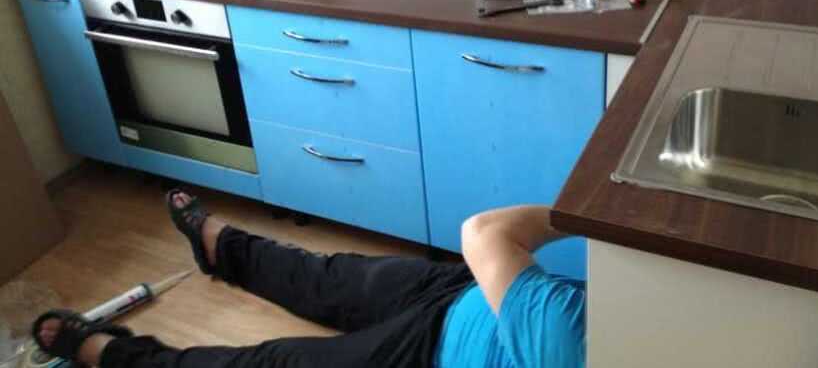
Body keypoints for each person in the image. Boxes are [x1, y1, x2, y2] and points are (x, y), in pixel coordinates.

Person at [32, 190, 585, 367]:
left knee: (273, 362)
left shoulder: (574, 339)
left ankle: (112, 356)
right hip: (473, 293)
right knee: (331, 278)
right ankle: (223, 249)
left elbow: (484, 231)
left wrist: (586, 218)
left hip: (428, 354)